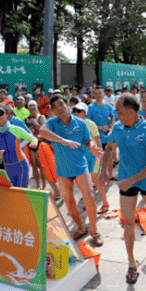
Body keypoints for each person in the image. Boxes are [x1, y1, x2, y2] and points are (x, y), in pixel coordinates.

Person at [102, 94, 146, 283]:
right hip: (126, 180)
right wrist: (103, 171)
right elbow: (108, 148)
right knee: (129, 222)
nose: (116, 115)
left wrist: (131, 180)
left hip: (145, 181)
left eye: (119, 111)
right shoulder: (117, 127)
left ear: (131, 112)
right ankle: (132, 262)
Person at [40, 95, 103, 245]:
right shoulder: (52, 123)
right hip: (62, 170)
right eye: (55, 107)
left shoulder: (80, 123)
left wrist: (92, 148)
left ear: (67, 104)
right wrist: (62, 140)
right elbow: (42, 130)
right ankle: (81, 228)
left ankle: (94, 231)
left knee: (89, 197)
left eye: (61, 104)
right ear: (53, 110)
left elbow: (88, 141)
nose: (59, 108)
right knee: (69, 202)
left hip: (80, 167)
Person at [0, 104, 38, 188]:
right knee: (13, 192)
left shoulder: (15, 129)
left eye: (0, 113)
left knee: (21, 192)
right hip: (8, 168)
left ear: (7, 114)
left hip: (21, 165)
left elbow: (33, 138)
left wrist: (34, 143)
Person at [87, 87, 115, 181]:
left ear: (103, 94)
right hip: (96, 137)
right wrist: (100, 128)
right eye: (96, 93)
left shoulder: (108, 106)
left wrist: (111, 127)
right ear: (93, 95)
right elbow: (88, 122)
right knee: (97, 158)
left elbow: (113, 117)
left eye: (100, 93)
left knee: (109, 157)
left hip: (107, 136)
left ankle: (110, 175)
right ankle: (98, 179)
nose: (98, 95)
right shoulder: (90, 107)